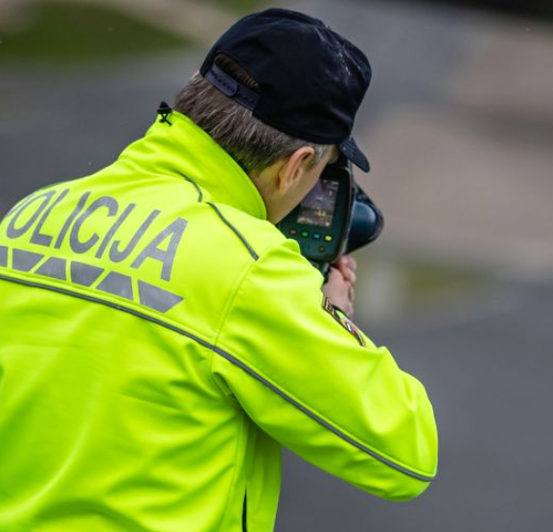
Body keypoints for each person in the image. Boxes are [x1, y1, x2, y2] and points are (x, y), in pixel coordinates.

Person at [0, 9, 438, 532]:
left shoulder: (33, 213)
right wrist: (335, 316)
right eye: (321, 172)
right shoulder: (250, 268)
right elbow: (405, 452)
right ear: (296, 165)